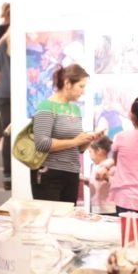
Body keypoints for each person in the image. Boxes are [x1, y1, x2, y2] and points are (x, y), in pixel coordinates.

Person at [30, 64, 100, 202]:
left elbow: (79, 148)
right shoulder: (46, 107)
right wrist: (75, 141)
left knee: (67, 220)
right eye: (81, 86)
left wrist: (89, 139)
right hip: (49, 174)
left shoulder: (75, 109)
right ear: (67, 83)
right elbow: (42, 143)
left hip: (71, 173)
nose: (83, 91)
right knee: (51, 220)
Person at [0, 28, 12, 190]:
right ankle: (9, 174)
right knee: (10, 134)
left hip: (3, 92)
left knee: (8, 134)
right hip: (12, 93)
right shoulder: (13, 40)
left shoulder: (1, 41)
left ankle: (8, 176)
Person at [84, 135, 115, 215]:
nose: (89, 155)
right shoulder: (95, 166)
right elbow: (96, 183)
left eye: (90, 152)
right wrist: (86, 181)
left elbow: (117, 182)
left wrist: (107, 177)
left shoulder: (110, 166)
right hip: (96, 208)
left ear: (99, 150)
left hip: (109, 209)